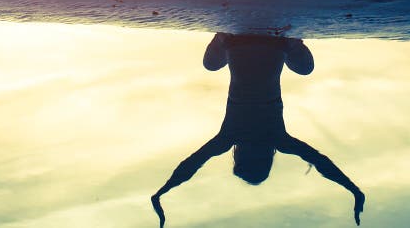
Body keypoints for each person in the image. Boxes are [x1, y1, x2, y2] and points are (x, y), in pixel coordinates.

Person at [151, 33, 365, 227]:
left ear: (267, 159)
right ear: (239, 157)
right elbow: (192, 163)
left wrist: (354, 190)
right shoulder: (230, 138)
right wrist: (162, 191)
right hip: (238, 44)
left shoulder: (277, 139)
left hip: (274, 45)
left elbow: (320, 161)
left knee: (305, 69)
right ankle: (223, 38)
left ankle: (290, 42)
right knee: (210, 65)